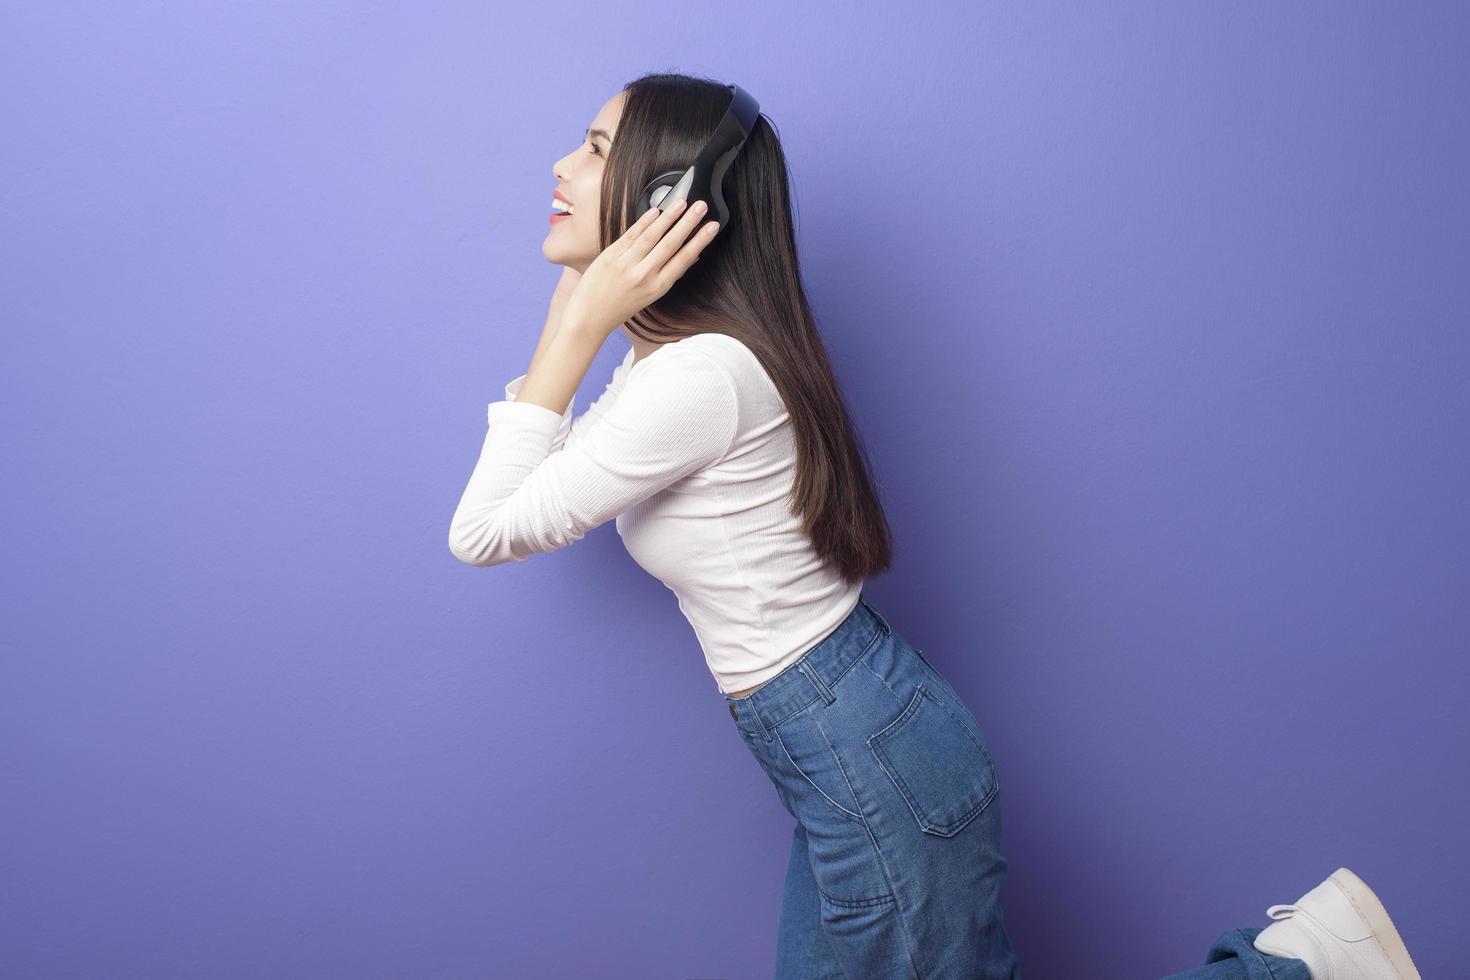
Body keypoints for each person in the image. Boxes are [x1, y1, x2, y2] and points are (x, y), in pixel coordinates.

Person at [447, 72, 1424, 980]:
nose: (561, 167)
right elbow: (532, 480)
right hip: (848, 745)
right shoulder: (675, 368)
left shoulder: (702, 378)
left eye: (592, 145)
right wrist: (578, 314)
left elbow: (485, 527)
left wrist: (574, 326)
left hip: (863, 751)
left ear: (669, 197)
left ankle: (1300, 960)